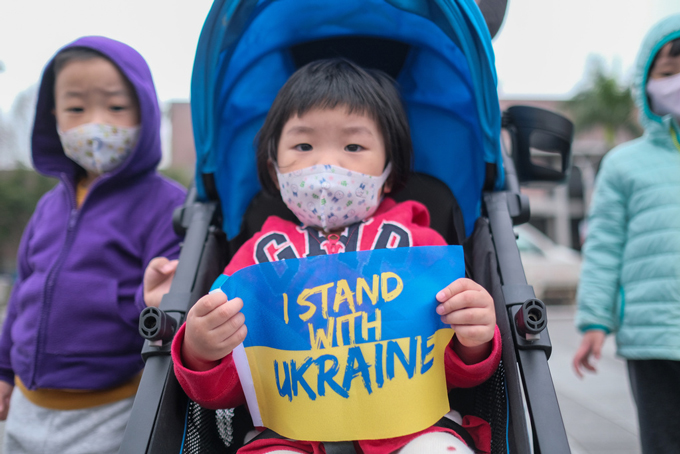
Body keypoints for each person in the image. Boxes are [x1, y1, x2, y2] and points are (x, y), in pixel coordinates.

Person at [146, 58, 501, 454]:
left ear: (388, 172)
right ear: (274, 169)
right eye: (303, 146)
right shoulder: (255, 260)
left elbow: (454, 374)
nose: (327, 164)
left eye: (353, 146)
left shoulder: (421, 248)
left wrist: (474, 342)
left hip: (412, 427)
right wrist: (201, 351)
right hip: (287, 435)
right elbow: (230, 391)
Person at [0, 36, 186, 453]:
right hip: (27, 407)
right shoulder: (49, 205)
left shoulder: (165, 203)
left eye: (116, 107)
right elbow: (23, 295)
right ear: (54, 119)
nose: (95, 123)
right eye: (76, 109)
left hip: (109, 410)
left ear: (145, 113)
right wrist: (4, 370)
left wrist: (150, 298)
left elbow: (165, 302)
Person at [572, 14, 680, 454]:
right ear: (646, 84)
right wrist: (595, 320)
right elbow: (604, 246)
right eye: (669, 74)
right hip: (652, 337)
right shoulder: (623, 164)